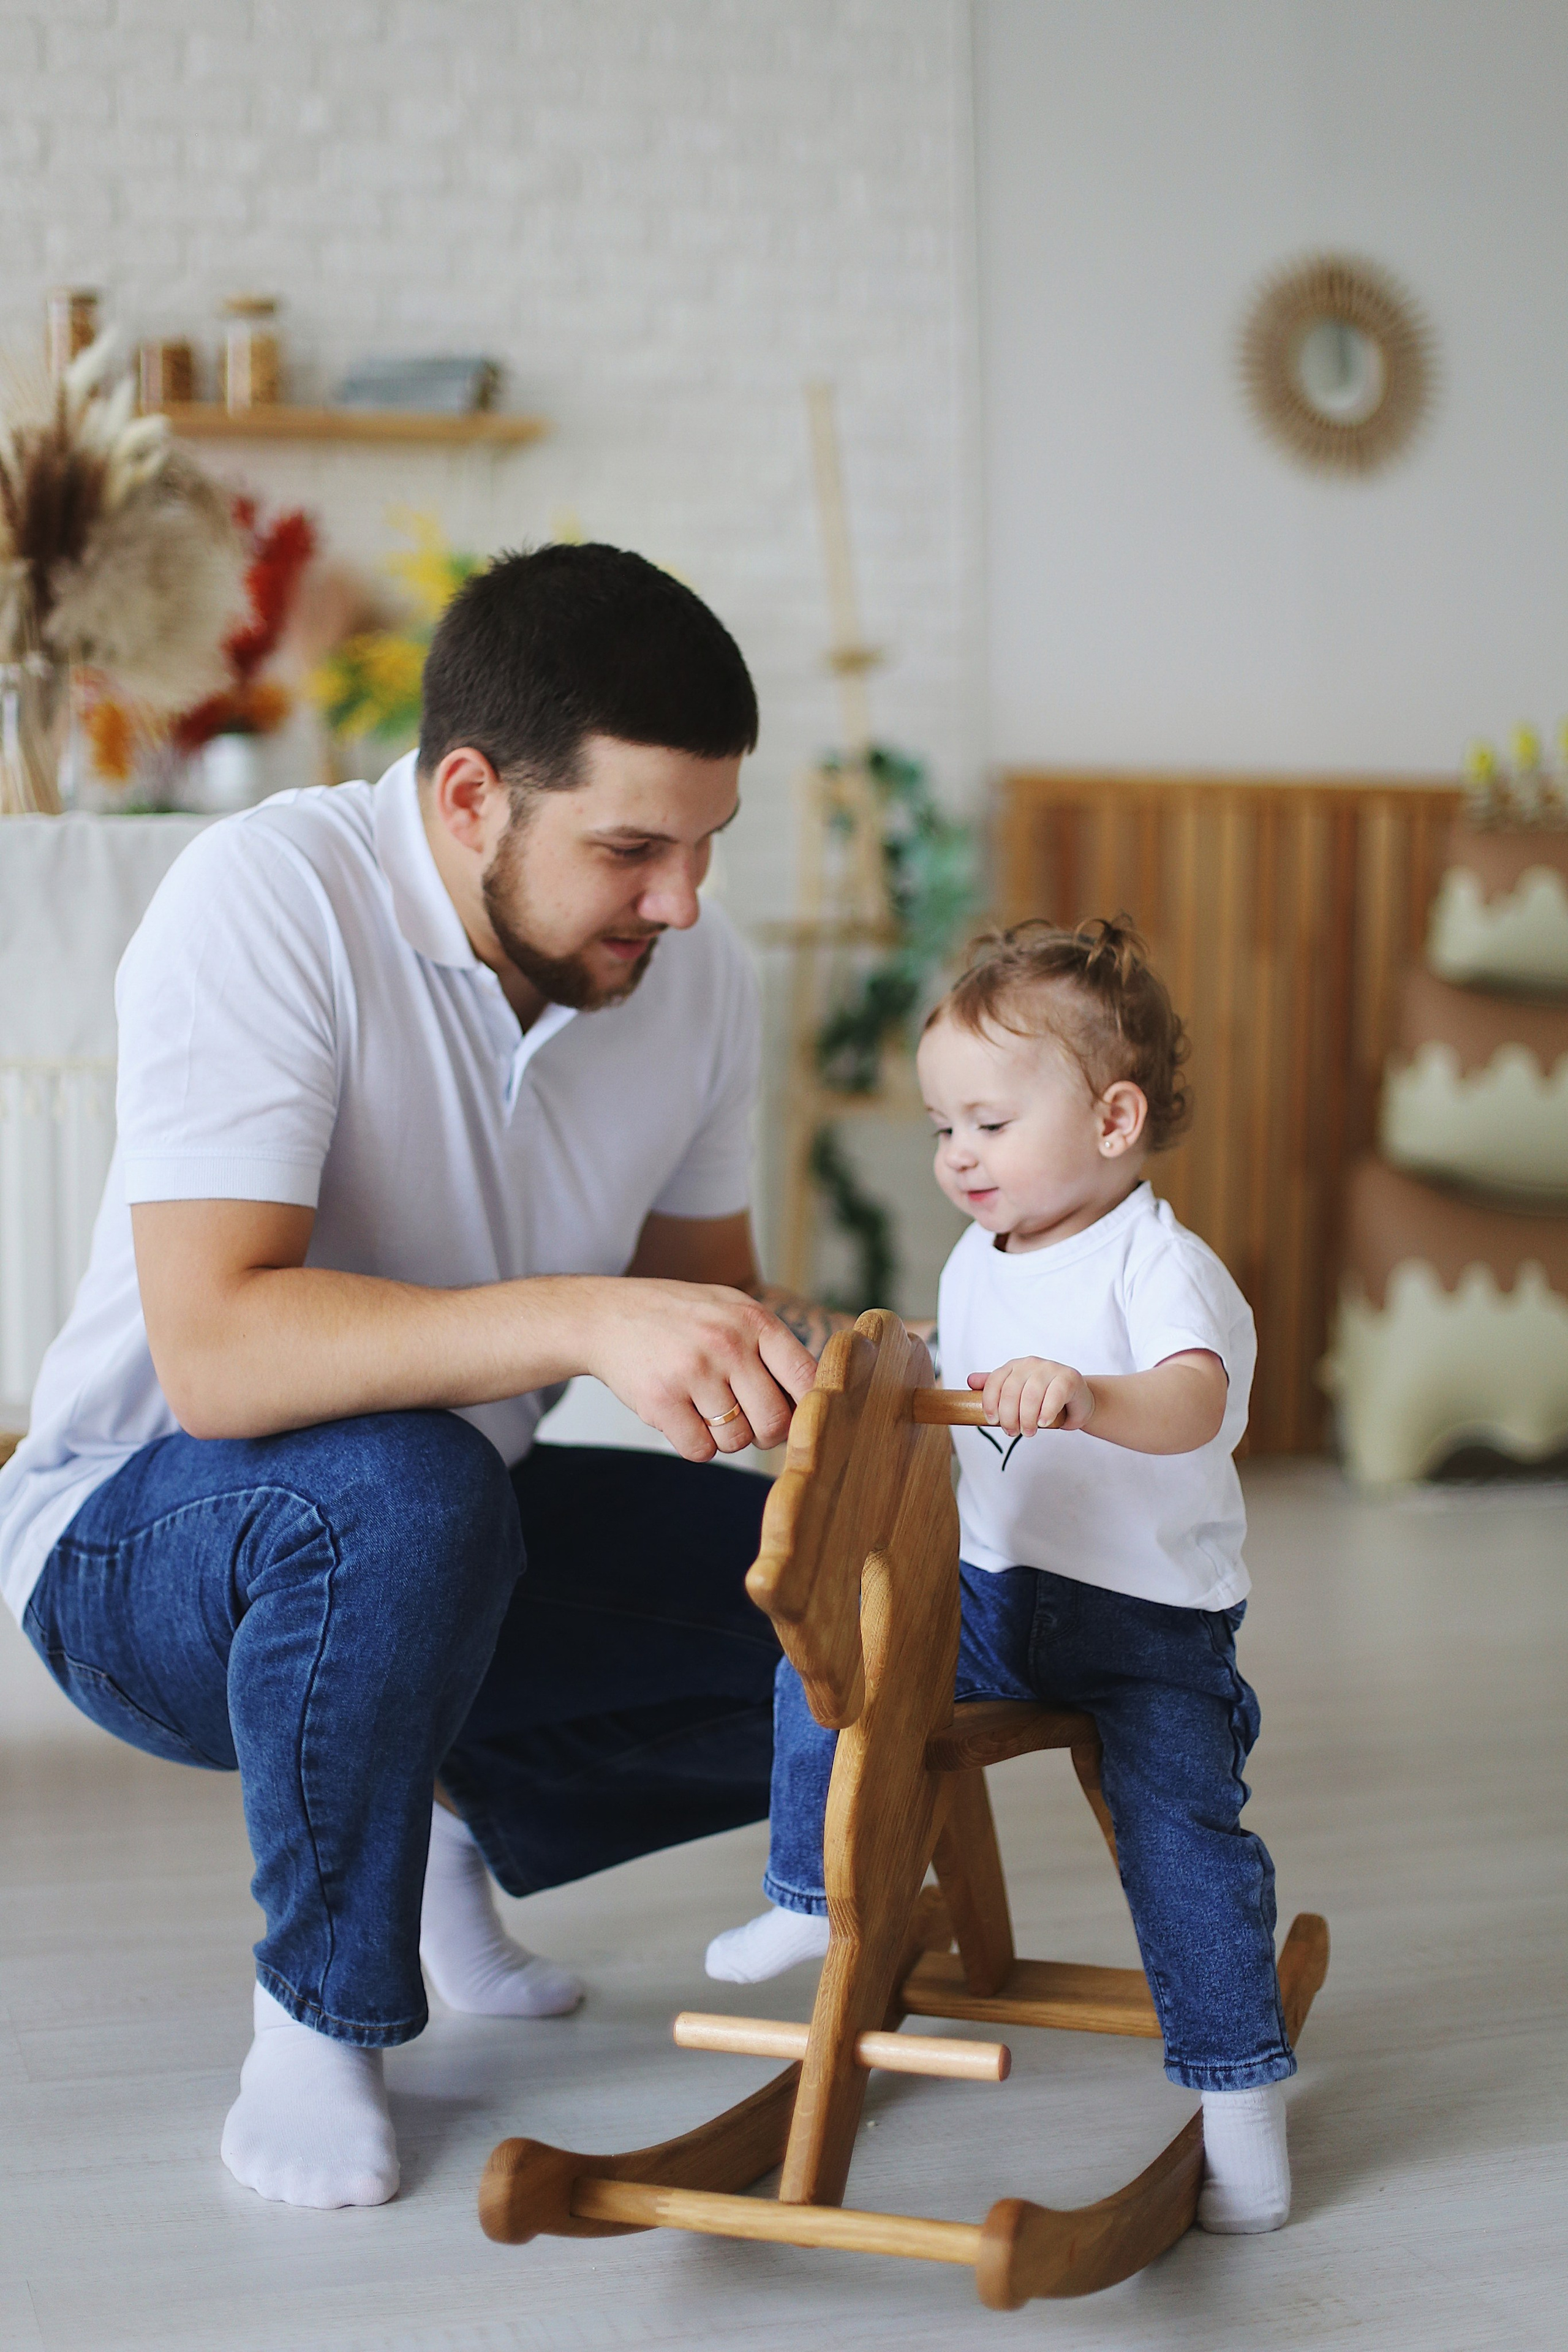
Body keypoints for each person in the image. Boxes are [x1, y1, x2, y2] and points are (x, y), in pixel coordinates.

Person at [0, 544, 845, 2212]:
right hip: (141, 1546)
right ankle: (322, 2005)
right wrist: (578, 1319)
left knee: (877, 1611)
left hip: (463, 1534)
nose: (682, 901)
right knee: (409, 1484)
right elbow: (225, 1356)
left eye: (706, 847)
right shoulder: (270, 899)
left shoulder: (696, 981)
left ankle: (444, 1806)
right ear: (470, 795)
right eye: (632, 848)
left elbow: (705, 1308)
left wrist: (874, 1365)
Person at [705, 918, 1298, 2236]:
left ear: (1112, 1118)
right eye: (939, 1128)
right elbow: (952, 1368)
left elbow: (1191, 1404)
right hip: (990, 1595)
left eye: (983, 1123)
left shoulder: (1157, 1263)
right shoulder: (984, 1255)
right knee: (832, 1669)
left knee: (1182, 1843)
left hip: (1145, 1624)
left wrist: (1085, 1393)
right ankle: (808, 1892)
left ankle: (1239, 2089)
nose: (953, 1156)